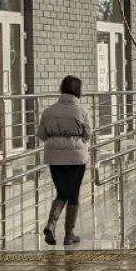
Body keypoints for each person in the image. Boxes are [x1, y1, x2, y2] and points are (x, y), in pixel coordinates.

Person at [37, 75, 92, 247]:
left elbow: (41, 135)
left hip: (55, 157)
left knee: (62, 191)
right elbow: (88, 134)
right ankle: (68, 234)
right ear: (78, 91)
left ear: (61, 89)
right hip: (76, 156)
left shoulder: (49, 111)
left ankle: (52, 225)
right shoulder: (82, 111)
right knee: (72, 193)